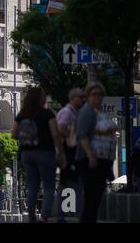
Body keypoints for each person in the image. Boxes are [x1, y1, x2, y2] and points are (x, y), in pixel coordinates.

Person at [12, 87, 66, 223]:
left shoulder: (22, 114)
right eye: (43, 96)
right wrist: (61, 152)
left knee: (32, 186)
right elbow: (55, 134)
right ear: (40, 99)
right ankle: (44, 216)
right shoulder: (47, 114)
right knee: (48, 186)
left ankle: (31, 217)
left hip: (26, 154)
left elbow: (13, 134)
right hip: (45, 152)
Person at [76, 82, 117, 223]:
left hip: (104, 160)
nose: (97, 97)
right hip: (92, 160)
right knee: (91, 198)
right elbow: (81, 135)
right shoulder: (87, 112)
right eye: (94, 94)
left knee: (96, 198)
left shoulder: (101, 112)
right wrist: (90, 155)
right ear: (88, 96)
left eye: (100, 94)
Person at [55, 88, 86, 222]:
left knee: (71, 184)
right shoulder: (67, 112)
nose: (83, 99)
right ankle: (66, 216)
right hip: (68, 154)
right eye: (80, 97)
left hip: (70, 153)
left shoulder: (73, 112)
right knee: (72, 184)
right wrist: (73, 137)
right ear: (73, 98)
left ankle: (65, 216)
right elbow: (61, 128)